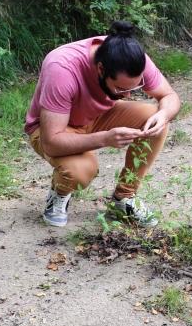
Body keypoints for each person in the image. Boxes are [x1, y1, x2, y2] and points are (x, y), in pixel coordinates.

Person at [24, 21, 181, 228]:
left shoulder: (131, 56)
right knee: (80, 172)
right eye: (120, 88)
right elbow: (51, 142)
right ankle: (59, 193)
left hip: (96, 116)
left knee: (154, 118)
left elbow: (169, 96)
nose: (127, 95)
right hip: (52, 130)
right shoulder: (62, 68)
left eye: (135, 88)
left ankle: (124, 199)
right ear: (100, 69)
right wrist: (105, 139)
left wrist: (163, 115)